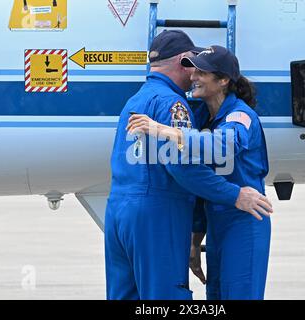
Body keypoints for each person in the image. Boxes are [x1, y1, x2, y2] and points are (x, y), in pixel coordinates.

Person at [105, 31, 273, 300]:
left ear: (223, 81)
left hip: (122, 212)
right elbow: (183, 168)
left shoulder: (136, 100)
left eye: (201, 72)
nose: (193, 76)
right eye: (191, 68)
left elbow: (222, 144)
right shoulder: (177, 106)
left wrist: (168, 132)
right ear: (181, 61)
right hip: (165, 214)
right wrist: (228, 201)